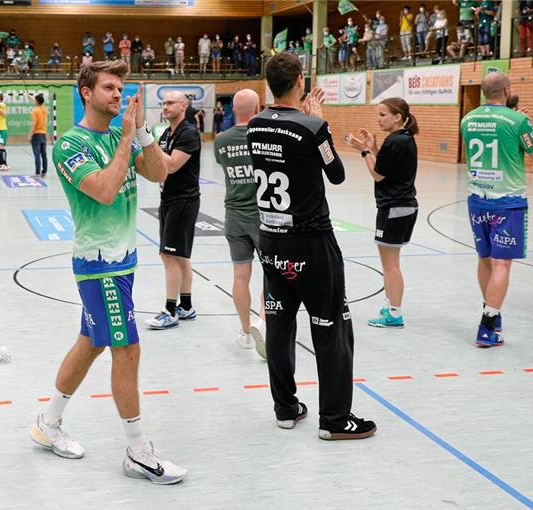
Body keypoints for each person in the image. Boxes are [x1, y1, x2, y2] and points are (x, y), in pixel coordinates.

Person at [30, 60, 186, 483]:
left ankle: (48, 423)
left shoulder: (125, 133)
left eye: (121, 89)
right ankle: (138, 452)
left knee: (90, 343)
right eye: (109, 88)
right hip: (99, 264)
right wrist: (125, 141)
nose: (118, 96)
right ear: (86, 92)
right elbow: (103, 190)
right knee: (127, 349)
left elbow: (158, 172)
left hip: (124, 261)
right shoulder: (70, 146)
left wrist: (143, 132)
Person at [247, 52, 376, 440]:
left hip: (270, 241)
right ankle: (336, 420)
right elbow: (335, 174)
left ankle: (286, 409)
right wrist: (321, 124)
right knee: (331, 327)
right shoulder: (313, 126)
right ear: (301, 81)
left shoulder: (254, 125)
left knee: (280, 325)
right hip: (311, 244)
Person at [459, 72, 533, 346]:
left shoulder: (467, 119)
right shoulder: (519, 120)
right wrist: (529, 126)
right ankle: (487, 324)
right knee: (502, 263)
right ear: (507, 90)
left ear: (484, 91)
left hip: (477, 199)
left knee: (484, 259)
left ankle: (492, 314)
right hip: (507, 201)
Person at [346, 98, 419, 329]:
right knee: (390, 263)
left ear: (397, 117)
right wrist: (374, 147)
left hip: (394, 208)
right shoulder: (403, 139)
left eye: (383, 115)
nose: (379, 119)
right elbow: (387, 166)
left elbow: (378, 174)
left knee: (390, 265)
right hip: (404, 206)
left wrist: (364, 150)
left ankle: (394, 314)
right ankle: (390, 307)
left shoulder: (395, 140)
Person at [213, 89, 266, 354]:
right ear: (257, 107)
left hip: (233, 215)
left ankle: (245, 332)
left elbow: (224, 164)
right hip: (262, 216)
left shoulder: (221, 140)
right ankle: (265, 323)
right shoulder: (262, 137)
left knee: (240, 275)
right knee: (273, 274)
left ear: (234, 109)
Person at [145, 91, 202, 330]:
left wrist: (146, 138)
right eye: (164, 102)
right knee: (179, 256)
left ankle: (170, 310)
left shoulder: (188, 133)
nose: (165, 106)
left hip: (183, 201)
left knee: (169, 255)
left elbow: (170, 164)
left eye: (170, 103)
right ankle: (186, 306)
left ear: (183, 105)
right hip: (168, 199)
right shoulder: (168, 133)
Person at [28, 93, 48, 177]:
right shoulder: (44, 109)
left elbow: (34, 123)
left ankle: (37, 172)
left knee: (37, 154)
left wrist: (30, 134)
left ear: (36, 101)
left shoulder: (35, 111)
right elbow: (38, 103)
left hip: (36, 135)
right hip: (43, 134)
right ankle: (44, 172)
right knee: (44, 154)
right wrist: (32, 98)